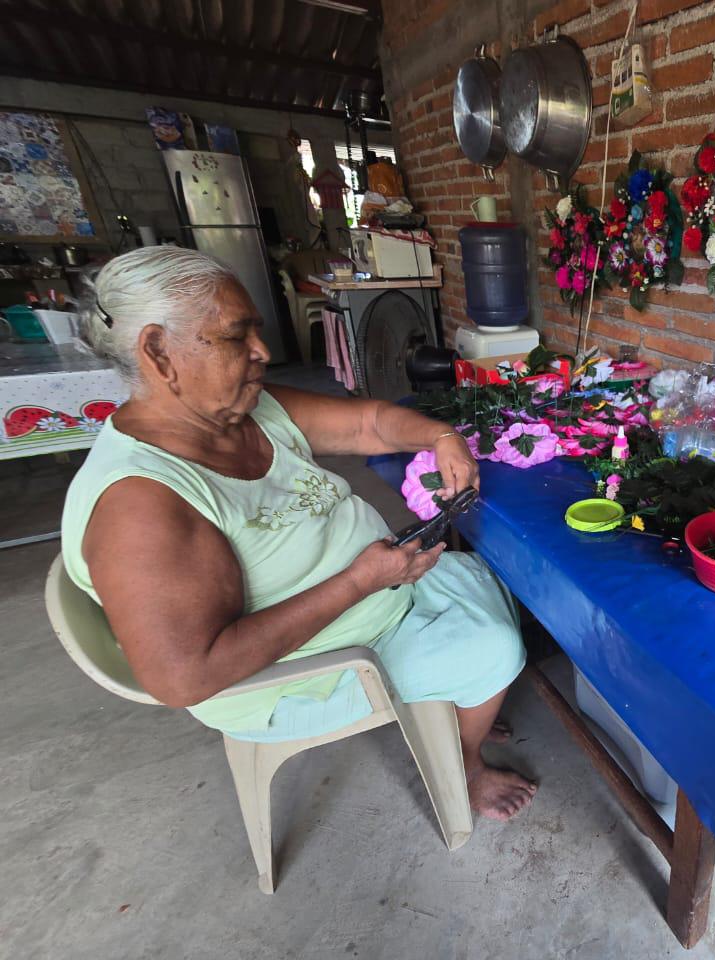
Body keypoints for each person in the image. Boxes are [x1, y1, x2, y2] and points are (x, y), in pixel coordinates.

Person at [61, 246, 535, 821]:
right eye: (237, 337)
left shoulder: (243, 410)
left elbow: (367, 422)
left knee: (489, 575)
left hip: (376, 597)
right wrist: (360, 582)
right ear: (160, 352)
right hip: (294, 675)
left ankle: (463, 702)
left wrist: (440, 436)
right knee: (497, 645)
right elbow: (188, 676)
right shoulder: (141, 505)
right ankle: (465, 759)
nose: (262, 352)